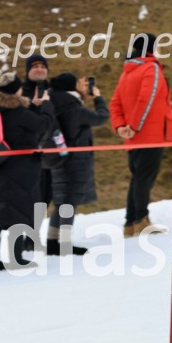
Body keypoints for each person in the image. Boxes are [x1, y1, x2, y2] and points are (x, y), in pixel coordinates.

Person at [0, 72, 56, 270]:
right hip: (22, 168)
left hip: (0, 166)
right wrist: (46, 105)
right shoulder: (19, 113)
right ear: (17, 90)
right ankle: (16, 257)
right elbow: (43, 125)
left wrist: (32, 106)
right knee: (20, 211)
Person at [109, 33, 172, 237]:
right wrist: (134, 126)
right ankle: (141, 220)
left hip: (133, 135)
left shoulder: (127, 71)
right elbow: (147, 97)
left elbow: (115, 103)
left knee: (138, 178)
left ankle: (130, 223)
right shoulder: (151, 67)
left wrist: (121, 126)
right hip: (150, 133)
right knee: (144, 178)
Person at [46, 73, 109, 255]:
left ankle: (52, 243)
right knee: (69, 202)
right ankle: (64, 244)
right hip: (76, 161)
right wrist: (98, 98)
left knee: (62, 202)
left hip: (59, 158)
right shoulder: (73, 108)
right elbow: (100, 117)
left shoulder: (54, 104)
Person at [21, 54, 57, 251]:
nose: (39, 69)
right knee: (28, 198)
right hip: (27, 155)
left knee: (45, 197)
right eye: (34, 66)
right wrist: (32, 105)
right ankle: (20, 240)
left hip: (51, 154)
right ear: (28, 71)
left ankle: (32, 236)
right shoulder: (20, 93)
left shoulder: (54, 91)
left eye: (43, 66)